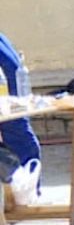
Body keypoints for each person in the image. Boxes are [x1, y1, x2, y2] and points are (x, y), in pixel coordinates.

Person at [0, 31, 43, 199]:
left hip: (8, 95)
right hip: (13, 92)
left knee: (17, 133)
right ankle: (27, 193)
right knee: (19, 133)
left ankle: (25, 193)